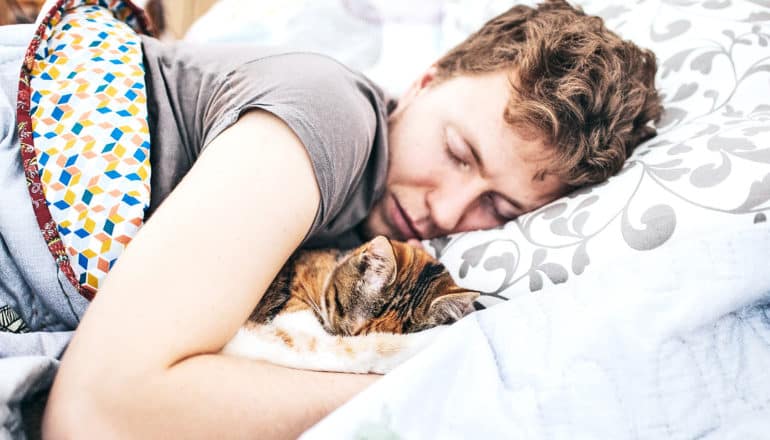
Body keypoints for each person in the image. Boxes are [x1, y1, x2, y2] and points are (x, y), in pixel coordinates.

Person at [0, 0, 662, 437]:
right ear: (429, 79)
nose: (449, 211)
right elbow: (95, 411)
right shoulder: (335, 117)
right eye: (458, 153)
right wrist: (432, 397)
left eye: (499, 208)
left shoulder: (359, 234)